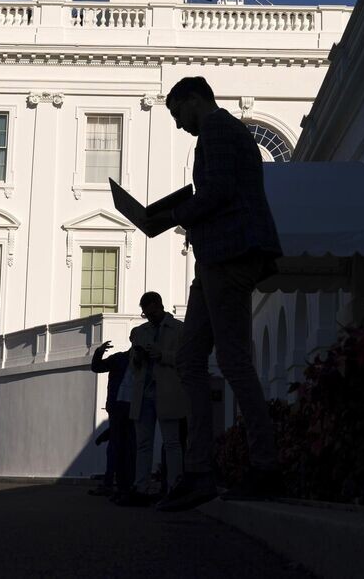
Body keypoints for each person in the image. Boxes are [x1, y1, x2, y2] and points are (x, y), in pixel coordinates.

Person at [151, 76, 284, 512]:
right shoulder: (219, 131)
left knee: (233, 361)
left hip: (230, 254)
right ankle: (200, 472)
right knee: (190, 359)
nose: (177, 125)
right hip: (214, 256)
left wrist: (174, 214)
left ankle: (265, 466)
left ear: (194, 100)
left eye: (176, 113)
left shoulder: (218, 128)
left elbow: (221, 191)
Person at [118, 291, 187, 506]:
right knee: (143, 444)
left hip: (167, 393)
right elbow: (133, 363)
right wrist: (138, 357)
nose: (147, 317)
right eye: (145, 314)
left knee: (172, 443)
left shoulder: (178, 329)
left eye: (149, 312)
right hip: (144, 395)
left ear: (158, 306)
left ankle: (174, 487)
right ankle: (141, 487)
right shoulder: (141, 332)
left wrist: (162, 355)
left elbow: (186, 359)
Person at [89, 340, 133, 497]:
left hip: (133, 408)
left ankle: (123, 484)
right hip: (119, 407)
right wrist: (99, 351)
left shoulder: (146, 360)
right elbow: (97, 367)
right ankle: (113, 484)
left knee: (126, 446)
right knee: (118, 446)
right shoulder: (119, 359)